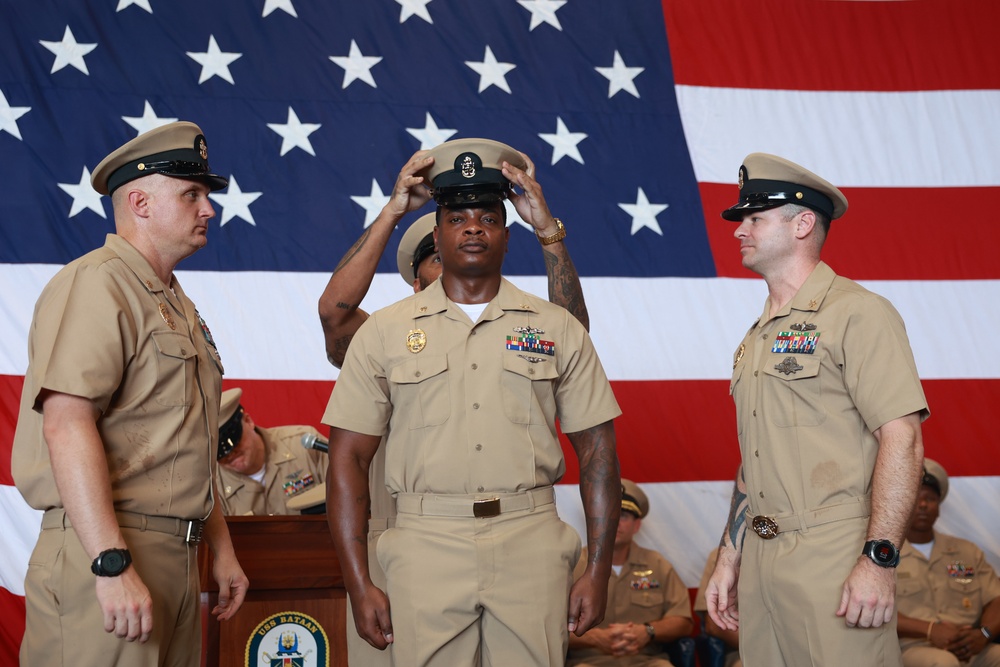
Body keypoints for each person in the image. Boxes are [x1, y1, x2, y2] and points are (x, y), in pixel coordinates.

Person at [322, 137, 622, 667]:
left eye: (488, 216)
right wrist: (357, 581)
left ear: (508, 234)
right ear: (437, 235)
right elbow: (347, 457)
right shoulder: (385, 333)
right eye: (457, 218)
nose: (474, 227)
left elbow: (598, 452)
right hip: (423, 541)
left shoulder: (555, 329)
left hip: (529, 539)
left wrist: (597, 571)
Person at [11, 121, 248, 666]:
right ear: (139, 202)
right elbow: (66, 424)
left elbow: (189, 441)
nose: (208, 208)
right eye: (191, 194)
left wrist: (223, 549)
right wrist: (110, 563)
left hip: (176, 555)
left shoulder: (176, 302)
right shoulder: (99, 283)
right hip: (111, 548)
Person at [705, 153, 929, 666]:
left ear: (803, 223)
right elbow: (754, 462)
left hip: (834, 553)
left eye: (755, 217)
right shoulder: (755, 337)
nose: (740, 229)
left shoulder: (857, 313)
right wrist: (730, 554)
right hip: (761, 555)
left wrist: (879, 559)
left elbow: (903, 437)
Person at [567, 479, 694, 667]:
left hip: (645, 661)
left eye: (623, 515)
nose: (615, 522)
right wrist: (594, 638)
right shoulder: (573, 566)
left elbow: (684, 621)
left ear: (637, 525)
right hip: (589, 661)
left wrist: (647, 631)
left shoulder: (658, 565)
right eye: (607, 515)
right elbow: (548, 628)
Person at [896, 458, 1000, 666]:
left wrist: (983, 634)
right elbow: (872, 609)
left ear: (939, 506)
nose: (923, 505)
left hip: (970, 645)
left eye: (930, 499)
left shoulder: (967, 551)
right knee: (943, 662)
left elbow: (997, 599)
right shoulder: (884, 554)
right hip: (913, 648)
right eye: (916, 498)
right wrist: (930, 630)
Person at [214, 387, 327, 516]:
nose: (230, 454)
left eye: (234, 442)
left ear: (248, 421)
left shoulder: (305, 447)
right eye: (220, 452)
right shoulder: (212, 487)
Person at [693, 547, 741, 667]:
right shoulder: (726, 554)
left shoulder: (793, 551)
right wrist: (761, 648)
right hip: (745, 652)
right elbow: (713, 623)